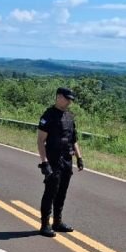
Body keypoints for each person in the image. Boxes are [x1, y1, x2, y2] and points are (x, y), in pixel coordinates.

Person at [37, 87, 84, 237]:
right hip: (53, 160)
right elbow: (40, 141)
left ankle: (57, 222)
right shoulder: (48, 115)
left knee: (62, 193)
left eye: (71, 99)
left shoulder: (69, 116)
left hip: (67, 160)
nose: (69, 101)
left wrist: (79, 157)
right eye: (67, 98)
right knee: (51, 192)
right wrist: (44, 163)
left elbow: (74, 139)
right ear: (58, 97)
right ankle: (45, 224)